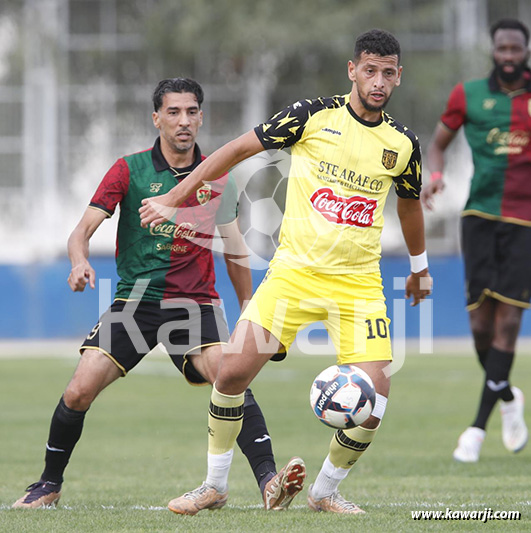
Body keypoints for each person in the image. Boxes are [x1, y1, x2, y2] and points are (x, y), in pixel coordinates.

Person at [140, 31, 431, 515]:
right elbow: (234, 151)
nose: (378, 81)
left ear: (398, 76)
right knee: (231, 373)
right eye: (370, 70)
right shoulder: (311, 115)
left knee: (375, 398)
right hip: (293, 273)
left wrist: (419, 268)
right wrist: (174, 197)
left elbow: (410, 204)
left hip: (358, 285)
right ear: (352, 70)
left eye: (388, 72)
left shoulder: (402, 144)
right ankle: (214, 486)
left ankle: (325, 492)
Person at [12, 78, 305, 512]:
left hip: (195, 306)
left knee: (230, 376)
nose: (183, 121)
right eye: (173, 112)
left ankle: (269, 482)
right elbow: (82, 232)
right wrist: (79, 262)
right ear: (157, 118)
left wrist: (248, 309)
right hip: (136, 303)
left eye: (191, 112)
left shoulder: (216, 177)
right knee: (78, 391)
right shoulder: (128, 170)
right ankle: (48, 485)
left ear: (201, 117)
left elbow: (236, 249)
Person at [422, 19, 530, 462]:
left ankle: (476, 429)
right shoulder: (467, 94)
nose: (508, 56)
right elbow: (438, 144)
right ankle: (508, 398)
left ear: (525, 51)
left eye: (515, 49)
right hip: (478, 218)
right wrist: (435, 175)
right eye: (501, 48)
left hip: (525, 223)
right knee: (480, 327)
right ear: (493, 50)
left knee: (507, 323)